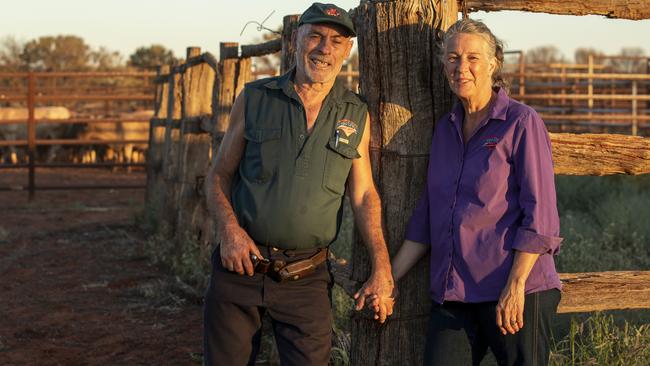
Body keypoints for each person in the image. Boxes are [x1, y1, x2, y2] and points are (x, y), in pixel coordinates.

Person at [203, 3, 394, 365]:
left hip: (307, 278)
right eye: (316, 37)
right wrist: (230, 232)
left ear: (348, 50)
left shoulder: (355, 112)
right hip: (241, 267)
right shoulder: (256, 98)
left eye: (337, 41)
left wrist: (381, 266)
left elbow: (365, 193)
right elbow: (218, 176)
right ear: (295, 40)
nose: (325, 49)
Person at [388, 18, 563, 366]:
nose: (461, 67)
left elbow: (541, 216)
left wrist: (515, 287)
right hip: (455, 293)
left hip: (514, 288)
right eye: (453, 58)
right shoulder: (445, 129)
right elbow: (427, 218)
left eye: (472, 58)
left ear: (493, 62)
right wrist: (387, 279)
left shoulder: (521, 122)